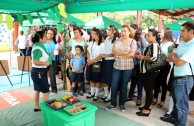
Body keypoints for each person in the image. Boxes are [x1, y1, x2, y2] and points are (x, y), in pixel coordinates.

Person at [160, 22, 194, 126]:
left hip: (185, 79)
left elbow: (178, 62)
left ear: (191, 32)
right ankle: (174, 118)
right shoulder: (183, 43)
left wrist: (175, 57)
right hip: (177, 76)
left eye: (183, 31)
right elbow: (171, 57)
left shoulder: (192, 45)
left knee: (181, 105)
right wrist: (175, 57)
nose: (180, 33)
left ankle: (181, 124)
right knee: (176, 101)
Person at [105, 24, 137, 112]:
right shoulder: (117, 41)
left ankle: (122, 104)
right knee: (114, 85)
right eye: (122, 31)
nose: (123, 33)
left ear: (129, 32)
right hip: (117, 67)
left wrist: (120, 54)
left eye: (125, 31)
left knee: (124, 86)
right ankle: (113, 103)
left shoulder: (132, 42)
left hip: (128, 68)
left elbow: (131, 54)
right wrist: (124, 53)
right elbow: (114, 52)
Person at [135, 29, 160, 117]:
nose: (147, 37)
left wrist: (141, 57)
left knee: (149, 91)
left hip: (151, 71)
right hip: (146, 71)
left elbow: (153, 58)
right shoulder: (150, 44)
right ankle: (146, 106)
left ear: (154, 37)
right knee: (148, 90)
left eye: (149, 35)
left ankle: (146, 110)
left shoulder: (155, 45)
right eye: (146, 35)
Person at [153, 28, 173, 108]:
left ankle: (162, 99)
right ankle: (155, 97)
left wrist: (161, 58)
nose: (159, 33)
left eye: (161, 32)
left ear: (166, 34)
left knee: (163, 82)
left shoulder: (170, 44)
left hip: (166, 65)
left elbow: (169, 57)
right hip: (159, 64)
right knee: (156, 81)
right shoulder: (161, 43)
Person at [31, 31, 51, 112]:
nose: (46, 37)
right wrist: (45, 63)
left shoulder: (38, 45)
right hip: (39, 72)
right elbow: (35, 61)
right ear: (40, 38)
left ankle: (36, 106)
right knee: (46, 91)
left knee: (37, 89)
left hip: (37, 72)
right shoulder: (38, 48)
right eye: (45, 36)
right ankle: (46, 109)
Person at [127, 29, 147, 106]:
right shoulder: (132, 40)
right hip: (133, 63)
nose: (138, 35)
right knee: (133, 81)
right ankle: (130, 96)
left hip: (141, 64)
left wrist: (141, 39)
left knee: (140, 83)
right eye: (137, 34)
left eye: (139, 34)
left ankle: (139, 98)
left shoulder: (142, 39)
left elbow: (145, 47)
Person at [86, 28, 105, 101]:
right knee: (90, 78)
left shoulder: (102, 45)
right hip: (90, 62)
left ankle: (96, 94)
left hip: (97, 63)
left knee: (96, 79)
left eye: (94, 34)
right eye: (92, 34)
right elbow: (87, 51)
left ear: (99, 35)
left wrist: (92, 61)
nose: (93, 35)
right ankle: (92, 93)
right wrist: (89, 60)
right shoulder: (90, 42)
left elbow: (101, 56)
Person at [100, 25, 117, 103]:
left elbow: (115, 54)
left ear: (114, 31)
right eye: (108, 30)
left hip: (112, 61)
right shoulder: (106, 38)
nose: (108, 31)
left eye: (110, 30)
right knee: (104, 79)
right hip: (105, 60)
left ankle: (110, 96)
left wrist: (106, 55)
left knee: (110, 80)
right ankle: (106, 94)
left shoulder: (116, 40)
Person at [44, 28, 58, 93]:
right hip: (44, 61)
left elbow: (56, 52)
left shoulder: (55, 42)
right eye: (48, 33)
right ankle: (46, 88)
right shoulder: (42, 41)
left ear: (53, 35)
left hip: (52, 60)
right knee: (44, 75)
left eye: (52, 34)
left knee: (52, 75)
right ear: (46, 34)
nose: (50, 35)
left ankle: (54, 89)